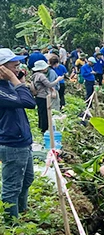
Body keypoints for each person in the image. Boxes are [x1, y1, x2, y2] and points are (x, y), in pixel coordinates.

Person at [0, 49, 36, 218]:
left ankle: (22, 211)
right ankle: (12, 225)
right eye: (14, 66)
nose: (18, 69)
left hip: (22, 141)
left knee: (27, 179)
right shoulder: (1, 90)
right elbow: (29, 102)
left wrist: (18, 80)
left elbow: (28, 96)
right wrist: (15, 79)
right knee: (11, 188)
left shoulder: (8, 85)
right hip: (12, 143)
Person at [30, 60, 63, 134]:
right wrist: (58, 79)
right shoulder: (41, 75)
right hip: (43, 96)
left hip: (38, 96)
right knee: (45, 114)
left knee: (41, 113)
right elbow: (49, 84)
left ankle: (41, 127)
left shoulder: (34, 75)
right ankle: (44, 129)